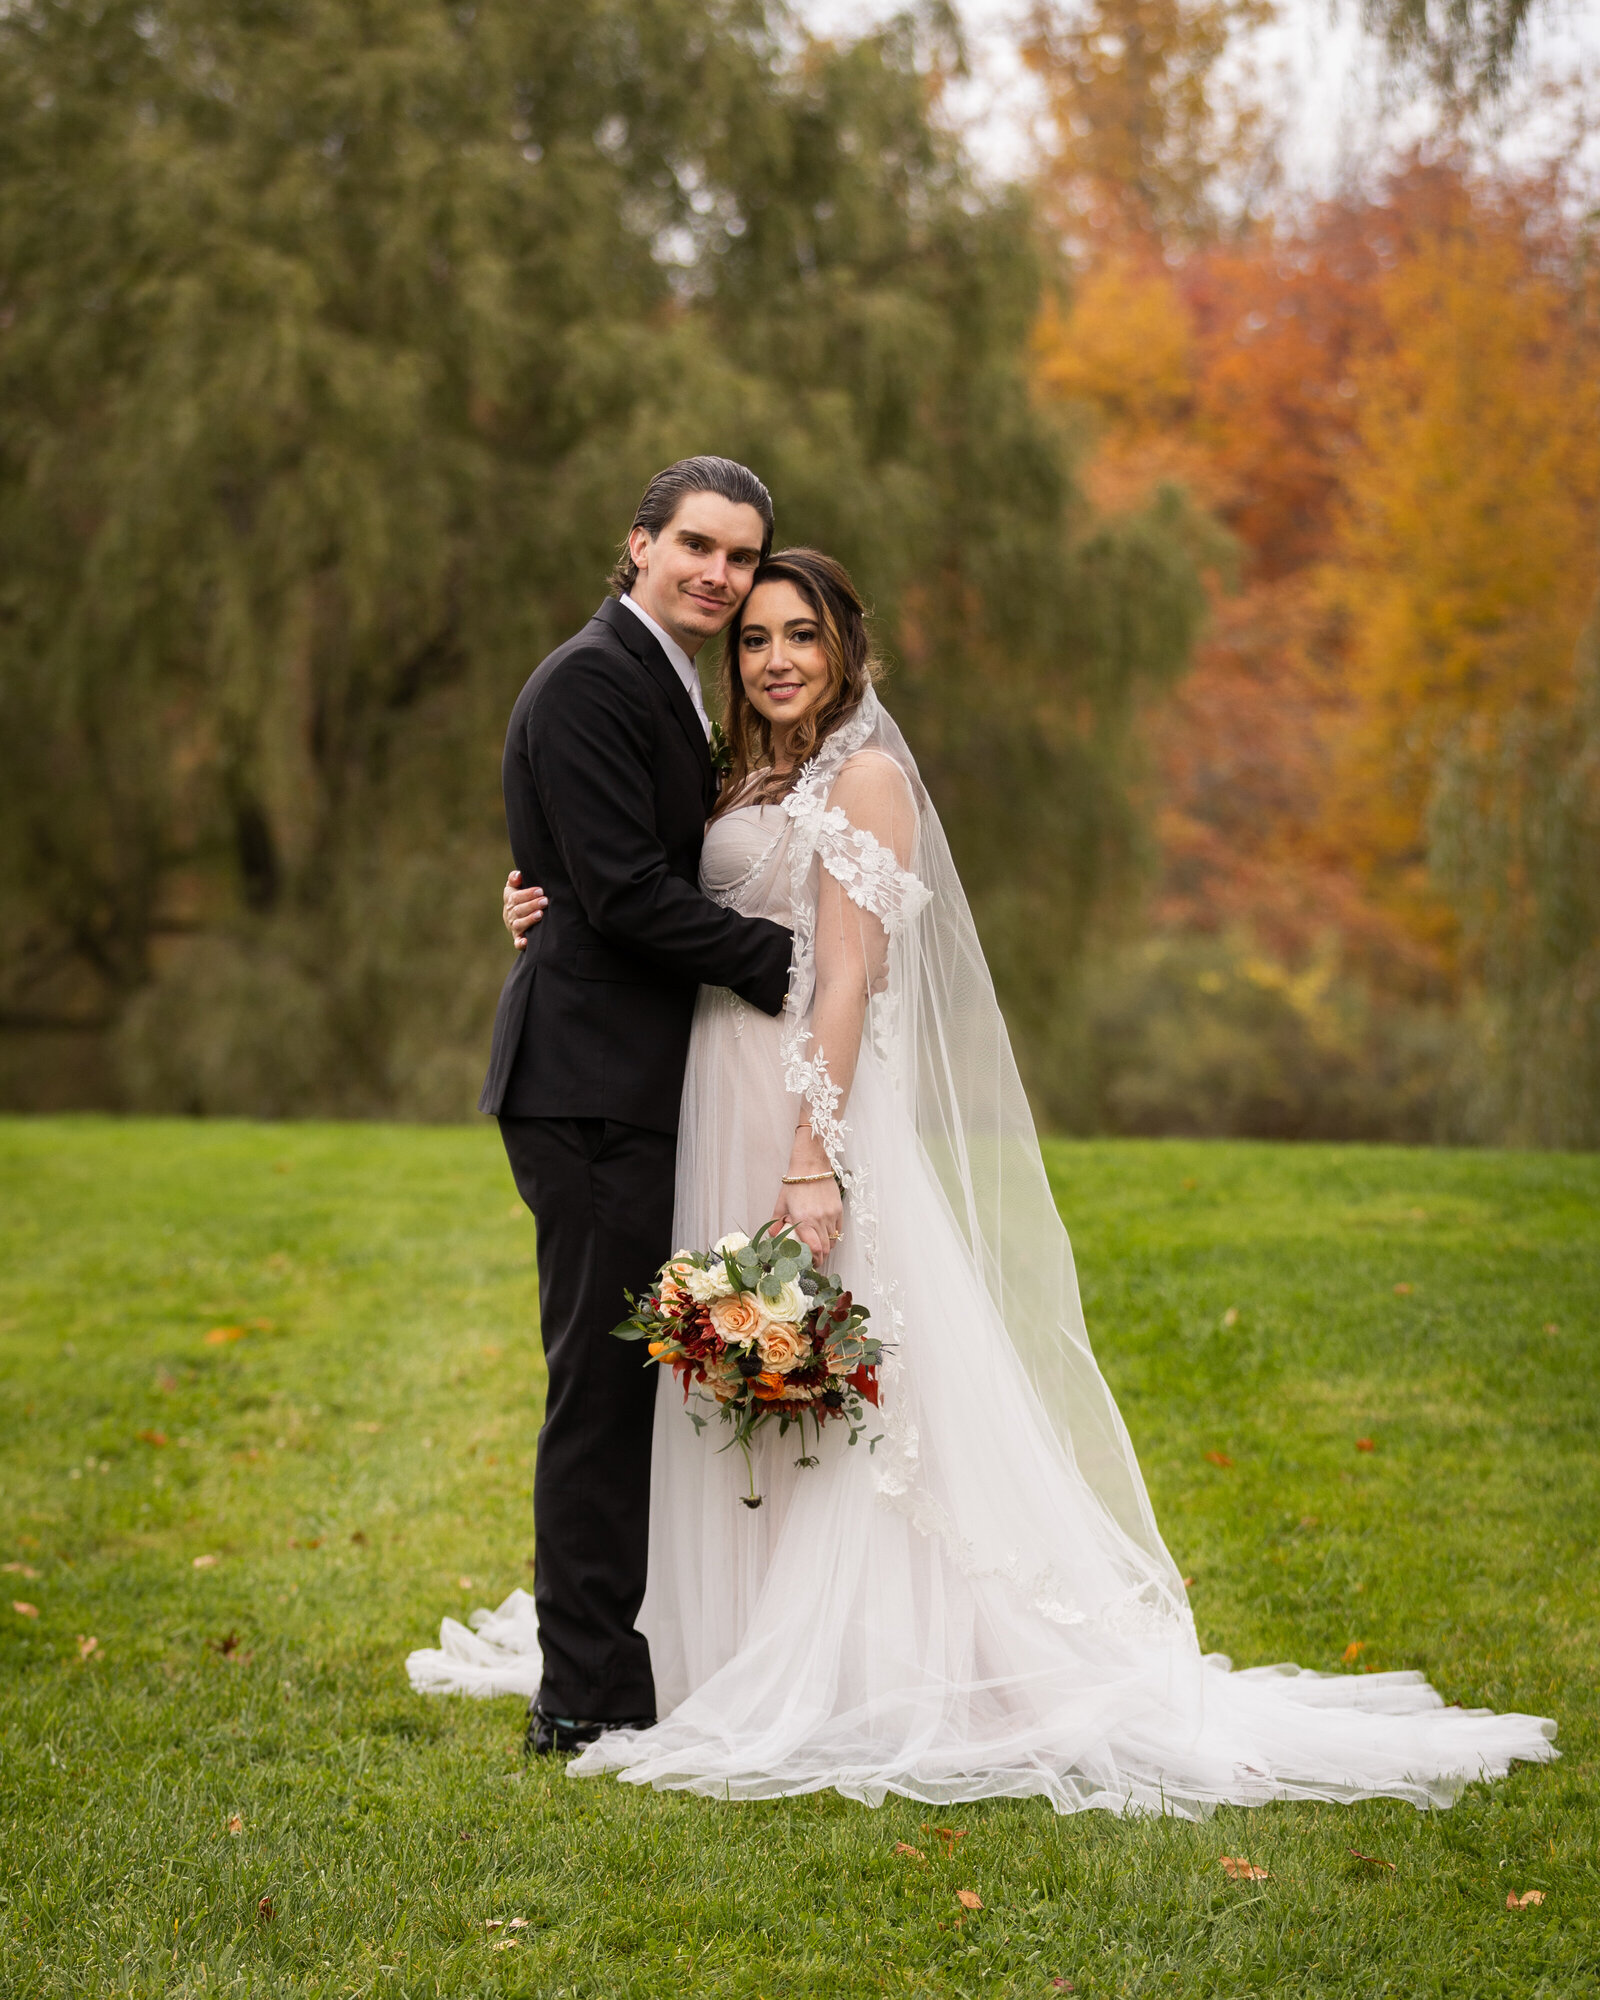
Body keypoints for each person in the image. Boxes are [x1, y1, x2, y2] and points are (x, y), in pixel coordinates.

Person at [414, 548, 1557, 1814]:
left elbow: (846, 978)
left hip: (799, 1104)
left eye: (800, 634)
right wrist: (548, 903)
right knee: (734, 1371)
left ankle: (864, 1658)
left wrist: (813, 1154)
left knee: (836, 1381)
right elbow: (641, 886)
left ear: (847, 648)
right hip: (712, 1097)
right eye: (754, 639)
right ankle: (726, 1634)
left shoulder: (865, 778)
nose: (776, 656)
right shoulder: (741, 774)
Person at [416, 458, 795, 1757]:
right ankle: (581, 1692)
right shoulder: (592, 678)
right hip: (584, 1089)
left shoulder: (659, 678)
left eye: (742, 557)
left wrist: (551, 893)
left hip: (630, 1079)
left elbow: (596, 869)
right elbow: (627, 892)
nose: (720, 574)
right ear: (638, 543)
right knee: (600, 1387)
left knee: (622, 1379)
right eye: (697, 544)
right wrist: (783, 961)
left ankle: (619, 1660)